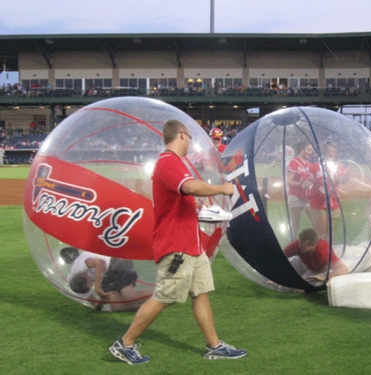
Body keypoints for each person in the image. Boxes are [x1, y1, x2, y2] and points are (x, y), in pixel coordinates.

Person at [109, 119, 246, 365]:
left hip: (191, 246)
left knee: (201, 293)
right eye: (190, 137)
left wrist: (197, 204)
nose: (191, 142)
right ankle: (125, 343)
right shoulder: (168, 162)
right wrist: (222, 189)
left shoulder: (175, 163)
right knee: (165, 296)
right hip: (177, 246)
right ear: (181, 135)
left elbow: (183, 196)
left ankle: (214, 346)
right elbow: (190, 187)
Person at [63, 248, 151, 311]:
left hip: (114, 260)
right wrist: (102, 298)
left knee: (130, 296)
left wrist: (97, 288)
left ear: (84, 276)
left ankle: (160, 293)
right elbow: (96, 306)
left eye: (90, 283)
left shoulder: (80, 265)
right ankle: (149, 305)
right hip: (104, 275)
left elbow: (100, 262)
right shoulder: (77, 286)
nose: (91, 286)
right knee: (118, 307)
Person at [309, 142, 348, 241]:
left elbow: (343, 179)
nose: (332, 154)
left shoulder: (339, 166)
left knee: (330, 231)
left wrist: (344, 177)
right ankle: (319, 252)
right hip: (318, 202)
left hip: (333, 202)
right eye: (330, 151)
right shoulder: (316, 166)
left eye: (334, 152)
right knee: (321, 230)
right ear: (325, 152)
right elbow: (309, 181)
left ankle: (328, 251)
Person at [283, 228, 349, 283]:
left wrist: (324, 277)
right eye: (299, 243)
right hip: (302, 260)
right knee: (285, 274)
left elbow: (343, 269)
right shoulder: (297, 245)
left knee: (301, 286)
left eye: (303, 246)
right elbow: (281, 256)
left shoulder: (323, 253)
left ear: (314, 245)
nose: (300, 247)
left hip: (317, 269)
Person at [286, 140, 315, 240]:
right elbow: (289, 181)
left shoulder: (309, 164)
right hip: (296, 197)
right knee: (295, 224)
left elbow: (311, 181)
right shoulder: (294, 162)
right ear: (302, 149)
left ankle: (316, 243)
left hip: (307, 197)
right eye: (309, 149)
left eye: (312, 150)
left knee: (315, 220)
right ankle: (292, 243)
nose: (311, 152)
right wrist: (301, 184)